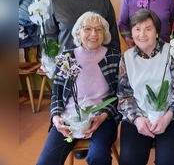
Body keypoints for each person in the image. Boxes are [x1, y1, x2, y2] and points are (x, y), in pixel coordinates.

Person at [37, 12, 121, 165]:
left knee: (98, 157)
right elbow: (57, 93)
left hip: (101, 118)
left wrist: (103, 115)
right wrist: (56, 118)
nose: (93, 34)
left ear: (105, 33)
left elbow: (118, 94)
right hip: (68, 118)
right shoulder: (67, 57)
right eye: (87, 28)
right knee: (46, 162)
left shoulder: (114, 57)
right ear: (78, 33)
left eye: (99, 29)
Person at [117, 9, 174, 165]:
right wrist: (137, 120)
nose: (142, 34)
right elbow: (124, 95)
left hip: (170, 116)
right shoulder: (126, 58)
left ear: (157, 32)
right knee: (129, 160)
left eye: (148, 29)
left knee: (167, 160)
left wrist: (167, 117)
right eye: (137, 29)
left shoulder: (172, 52)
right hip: (138, 116)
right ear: (132, 33)